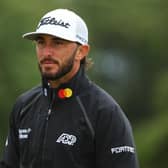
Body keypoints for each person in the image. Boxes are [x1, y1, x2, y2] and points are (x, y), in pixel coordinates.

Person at [0, 9, 139, 168]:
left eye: (57, 42)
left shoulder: (105, 112)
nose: (46, 52)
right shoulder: (24, 105)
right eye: (41, 42)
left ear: (81, 51)